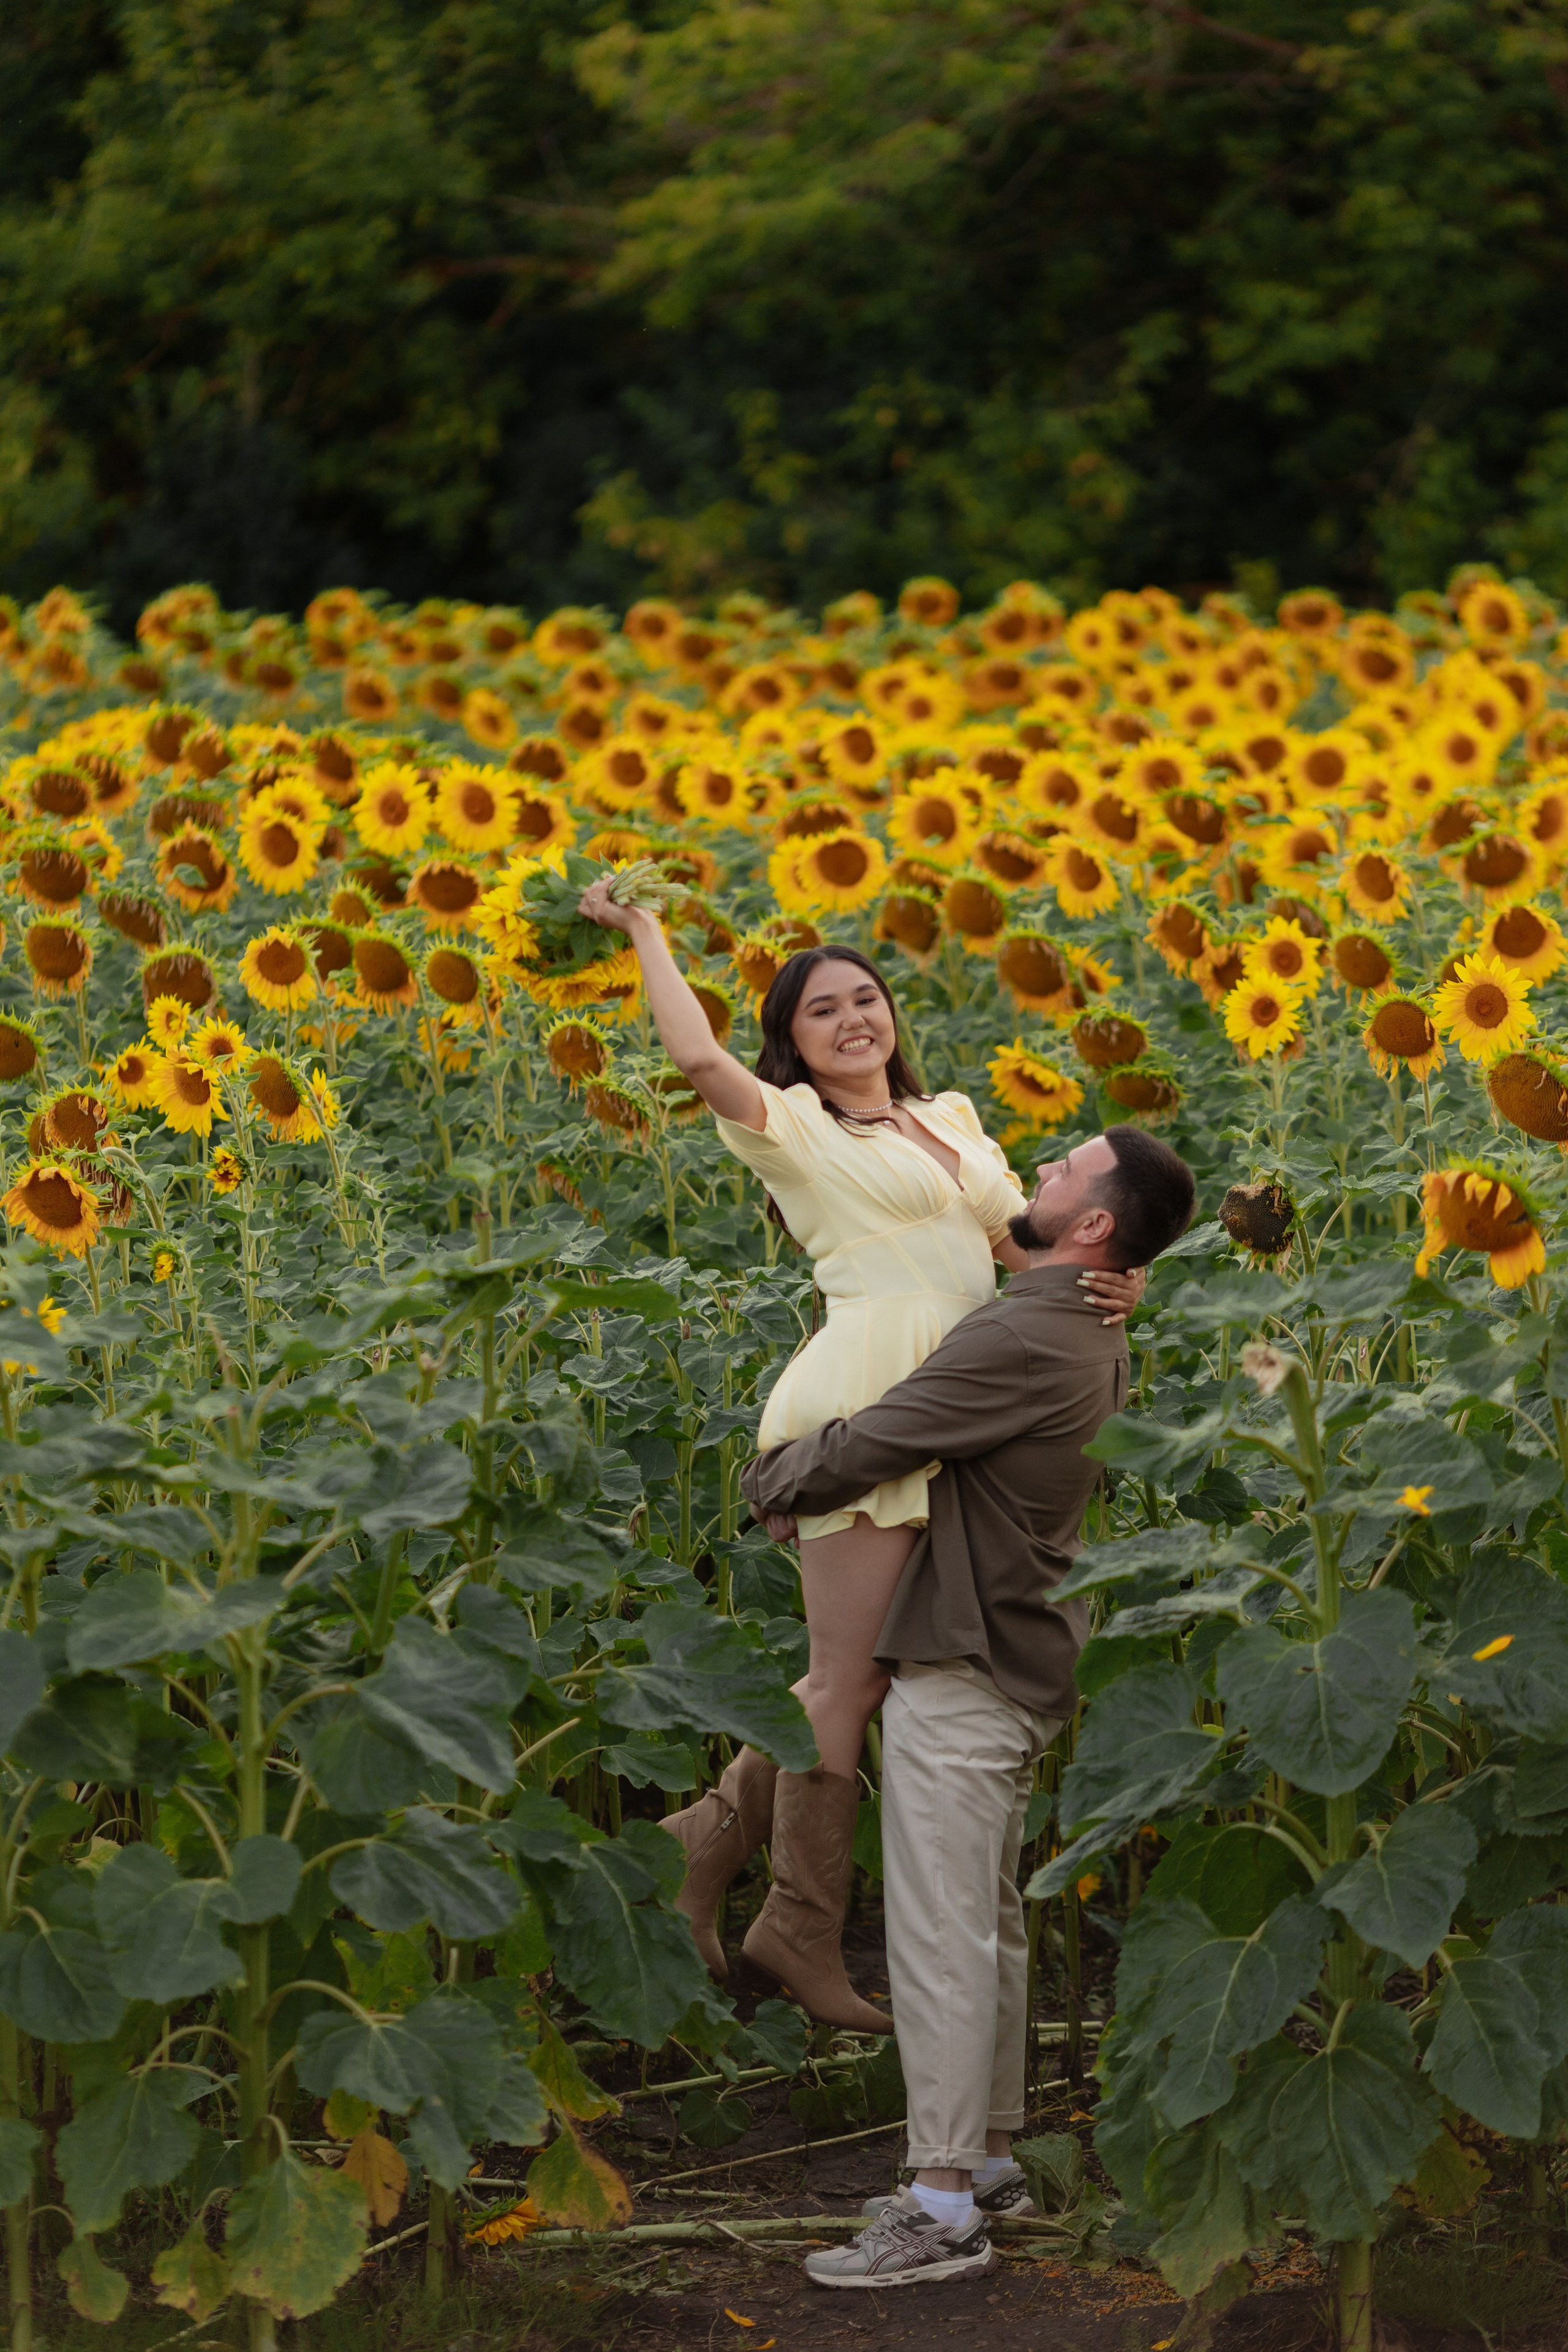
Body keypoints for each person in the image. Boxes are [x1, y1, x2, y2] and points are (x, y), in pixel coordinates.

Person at [578, 878, 1142, 2027]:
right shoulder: (796, 1131)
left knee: (870, 1670)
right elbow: (695, 1060)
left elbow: (1015, 1250)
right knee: (852, 1677)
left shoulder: (956, 1121)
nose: (853, 1020)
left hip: (960, 1405)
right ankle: (798, 1929)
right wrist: (645, 931)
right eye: (821, 1011)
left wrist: (1114, 1279)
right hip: (864, 1403)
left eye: (866, 999)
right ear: (791, 1040)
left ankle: (701, 1846)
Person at [740, 1126, 1196, 2288]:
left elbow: (891, 1432)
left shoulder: (1028, 1331)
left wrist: (775, 1480)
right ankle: (988, 2153)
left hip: (970, 1658)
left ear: (1094, 1226)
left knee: (939, 1937)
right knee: (982, 1921)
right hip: (1017, 1652)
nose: (1035, 1173)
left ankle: (939, 2205)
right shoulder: (1082, 1317)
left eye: (1060, 1173)